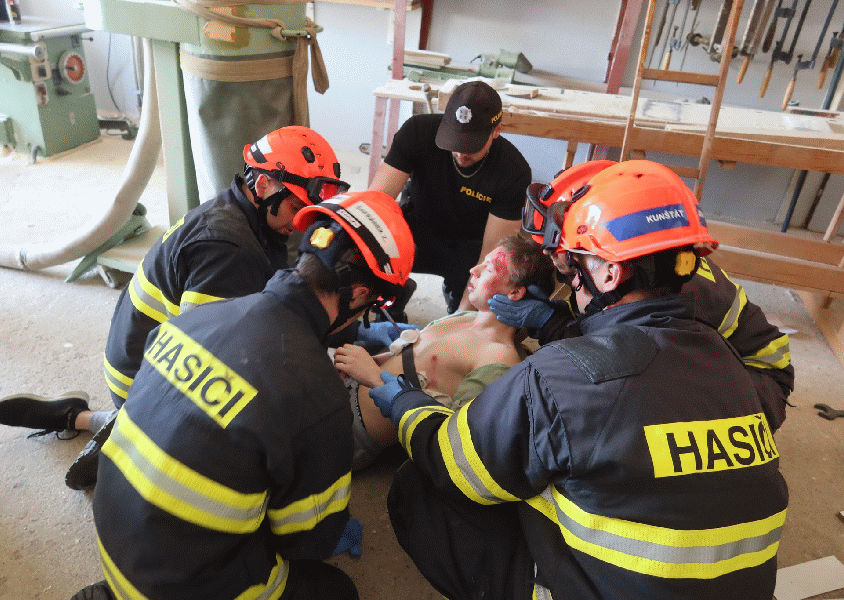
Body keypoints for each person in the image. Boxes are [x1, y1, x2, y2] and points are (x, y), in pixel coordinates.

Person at [372, 160, 789, 600]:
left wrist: (406, 404)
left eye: (572, 268)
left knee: (419, 487)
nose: (565, 276)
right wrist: (556, 326)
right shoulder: (726, 360)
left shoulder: (558, 378)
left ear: (609, 272)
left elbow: (453, 462)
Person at [71, 190, 415, 600]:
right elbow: (307, 541)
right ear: (358, 295)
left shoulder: (197, 317)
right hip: (183, 585)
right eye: (375, 303)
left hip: (114, 539)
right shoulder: (320, 398)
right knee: (336, 590)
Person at [0, 126, 350, 489]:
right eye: (295, 207)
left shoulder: (245, 216)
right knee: (264, 430)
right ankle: (135, 443)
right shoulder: (230, 250)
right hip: (140, 380)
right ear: (262, 185)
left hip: (135, 359)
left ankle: (89, 420)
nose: (300, 223)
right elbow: (209, 360)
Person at [490, 160, 794, 431]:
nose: (549, 255)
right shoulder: (641, 262)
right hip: (715, 361)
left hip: (758, 384)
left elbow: (613, 355)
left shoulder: (674, 291)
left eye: (555, 247)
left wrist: (551, 323)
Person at [333, 234, 553, 469]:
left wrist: (372, 376)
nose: (473, 270)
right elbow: (417, 357)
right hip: (345, 389)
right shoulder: (468, 316)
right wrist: (374, 361)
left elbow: (452, 439)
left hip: (350, 431)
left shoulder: (498, 360)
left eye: (488, 268)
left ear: (515, 293)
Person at [369, 79, 531, 314]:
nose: (461, 152)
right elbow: (373, 205)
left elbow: (490, 257)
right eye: (454, 140)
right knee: (371, 242)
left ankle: (456, 297)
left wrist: (458, 320)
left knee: (480, 297)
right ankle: (393, 300)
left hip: (470, 247)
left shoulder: (513, 171)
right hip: (417, 229)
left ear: (496, 130)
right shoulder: (416, 132)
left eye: (472, 145)